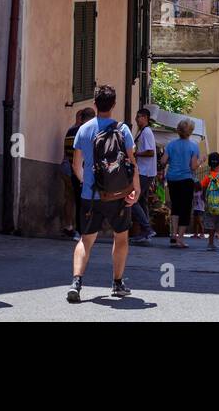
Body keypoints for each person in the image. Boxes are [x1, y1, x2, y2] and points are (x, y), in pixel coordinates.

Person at [68, 85, 140, 301]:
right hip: (118, 195)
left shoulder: (84, 129)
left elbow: (76, 164)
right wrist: (134, 190)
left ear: (94, 104)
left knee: (85, 240)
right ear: (114, 105)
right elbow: (131, 162)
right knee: (121, 238)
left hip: (91, 196)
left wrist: (86, 183)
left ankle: (76, 282)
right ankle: (117, 283)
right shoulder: (123, 129)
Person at [164, 119, 200, 248]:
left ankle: (173, 234)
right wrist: (201, 160)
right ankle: (180, 238)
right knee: (185, 208)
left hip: (172, 178)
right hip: (186, 179)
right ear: (190, 131)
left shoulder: (170, 144)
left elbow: (163, 161)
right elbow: (193, 166)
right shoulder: (194, 146)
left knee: (175, 206)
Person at [60, 108, 94, 240]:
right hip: (82, 170)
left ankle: (72, 227)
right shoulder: (85, 131)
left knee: (72, 199)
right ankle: (82, 230)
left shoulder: (70, 131)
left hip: (70, 168)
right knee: (83, 202)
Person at [131, 107, 158, 243]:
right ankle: (145, 232)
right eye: (137, 116)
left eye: (139, 116)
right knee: (141, 201)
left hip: (144, 172)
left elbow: (150, 152)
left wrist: (136, 154)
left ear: (145, 118)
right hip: (145, 171)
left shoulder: (146, 132)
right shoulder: (142, 132)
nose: (136, 119)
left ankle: (147, 228)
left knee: (132, 199)